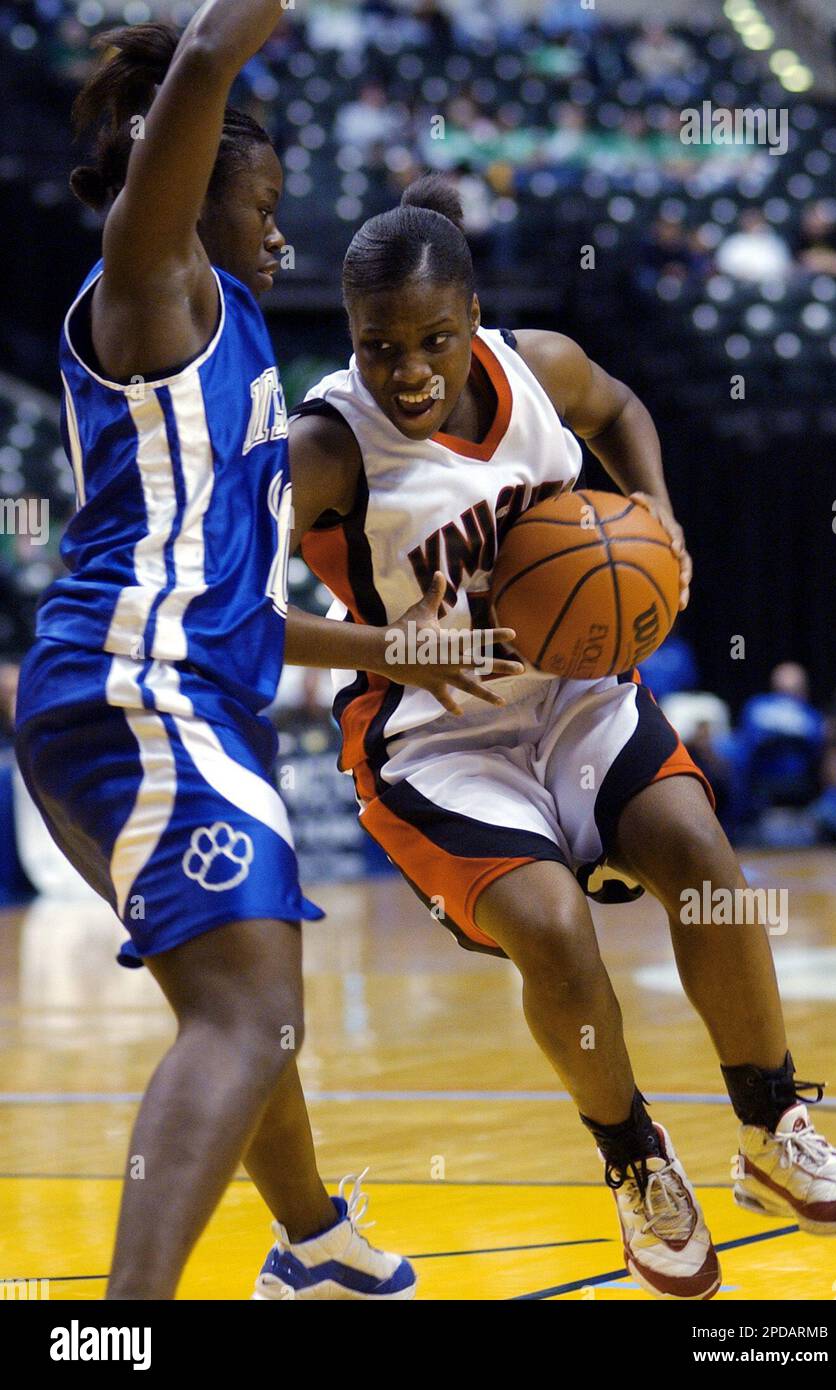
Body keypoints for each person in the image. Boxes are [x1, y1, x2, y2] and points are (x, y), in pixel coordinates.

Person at [286, 174, 836, 1299]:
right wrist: (386, 652)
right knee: (555, 931)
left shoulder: (540, 366)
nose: (407, 370)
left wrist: (653, 507)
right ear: (348, 341)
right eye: (378, 347)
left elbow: (618, 410)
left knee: (705, 864)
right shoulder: (326, 446)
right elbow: (213, 604)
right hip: (435, 737)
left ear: (474, 321)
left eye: (432, 340)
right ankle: (636, 1164)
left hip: (578, 697)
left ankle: (770, 1129)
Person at [13, 4, 418, 1302]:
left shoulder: (235, 341)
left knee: (257, 997)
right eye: (266, 195)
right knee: (244, 1010)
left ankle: (310, 1240)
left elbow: (235, 603)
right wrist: (238, 35)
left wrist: (417, 648)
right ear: (200, 178)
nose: (280, 225)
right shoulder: (158, 280)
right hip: (138, 686)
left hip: (168, 679)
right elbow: (199, 63)